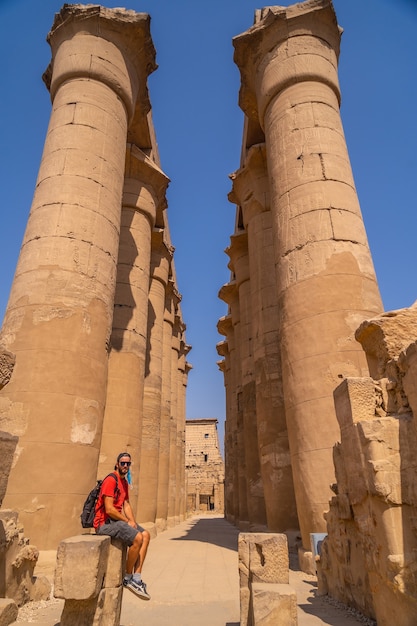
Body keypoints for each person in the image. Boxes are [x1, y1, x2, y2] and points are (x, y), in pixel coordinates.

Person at [93, 452, 151, 600]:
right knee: (137, 538)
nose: (125, 466)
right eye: (123, 463)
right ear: (117, 464)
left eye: (128, 464)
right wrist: (126, 522)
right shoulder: (111, 480)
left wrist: (132, 521)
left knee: (146, 535)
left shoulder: (124, 481)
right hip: (105, 523)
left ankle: (136, 578)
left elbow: (126, 504)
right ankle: (127, 577)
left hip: (117, 521)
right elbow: (109, 509)